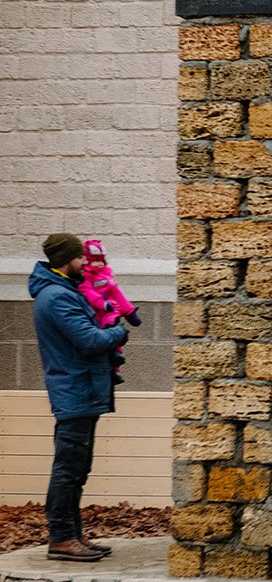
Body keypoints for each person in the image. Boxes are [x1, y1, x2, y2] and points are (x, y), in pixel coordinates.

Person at [29, 233, 130, 562]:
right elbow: (89, 340)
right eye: (80, 258)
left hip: (82, 391)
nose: (86, 263)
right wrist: (119, 331)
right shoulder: (57, 296)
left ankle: (72, 535)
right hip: (75, 391)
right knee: (68, 469)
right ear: (65, 259)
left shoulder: (65, 291)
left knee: (78, 468)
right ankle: (61, 538)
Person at [76, 240, 140, 386]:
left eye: (101, 261)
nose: (99, 264)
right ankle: (113, 365)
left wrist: (130, 312)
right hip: (97, 314)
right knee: (107, 338)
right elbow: (87, 293)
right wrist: (102, 304)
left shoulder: (107, 276)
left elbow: (117, 294)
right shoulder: (85, 277)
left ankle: (116, 367)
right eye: (95, 261)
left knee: (116, 335)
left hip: (112, 312)